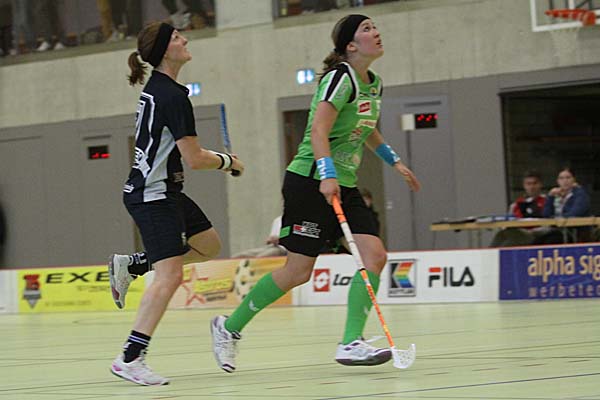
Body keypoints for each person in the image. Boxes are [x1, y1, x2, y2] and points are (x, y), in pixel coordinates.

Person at [209, 14, 420, 373]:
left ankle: (350, 342)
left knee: (375, 255)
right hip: (310, 180)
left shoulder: (374, 84)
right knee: (297, 271)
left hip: (344, 184)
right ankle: (228, 327)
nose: (376, 32)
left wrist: (394, 161)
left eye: (375, 26)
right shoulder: (340, 78)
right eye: (367, 29)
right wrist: (327, 174)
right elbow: (319, 130)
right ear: (350, 45)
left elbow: (367, 128)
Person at [106, 21, 244, 386]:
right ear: (166, 49)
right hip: (153, 195)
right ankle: (130, 358)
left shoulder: (161, 88)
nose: (185, 40)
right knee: (170, 276)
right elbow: (195, 158)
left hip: (166, 190)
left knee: (208, 245)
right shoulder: (171, 96)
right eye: (178, 37)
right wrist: (229, 162)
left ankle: (134, 265)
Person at [533, 167, 591, 244]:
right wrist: (550, 196)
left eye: (568, 178)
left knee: (549, 241)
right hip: (555, 229)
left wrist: (555, 219)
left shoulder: (580, 194)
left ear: (574, 180)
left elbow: (575, 213)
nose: (565, 181)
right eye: (561, 178)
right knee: (535, 240)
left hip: (572, 231)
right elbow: (546, 214)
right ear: (557, 181)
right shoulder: (555, 194)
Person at [489, 170, 546, 247]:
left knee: (513, 239)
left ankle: (500, 253)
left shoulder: (546, 201)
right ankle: (490, 252)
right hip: (516, 231)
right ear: (524, 186)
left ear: (540, 184)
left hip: (535, 234)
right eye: (528, 184)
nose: (532, 187)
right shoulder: (517, 204)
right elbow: (509, 219)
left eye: (534, 183)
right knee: (501, 234)